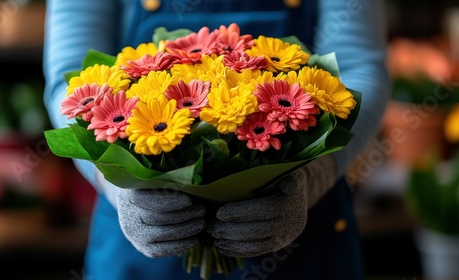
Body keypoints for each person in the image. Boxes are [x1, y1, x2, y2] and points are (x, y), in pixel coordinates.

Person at [43, 0, 390, 279]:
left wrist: (317, 176)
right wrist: (116, 182)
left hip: (305, 236)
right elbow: (71, 80)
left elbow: (358, 65)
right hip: (145, 243)